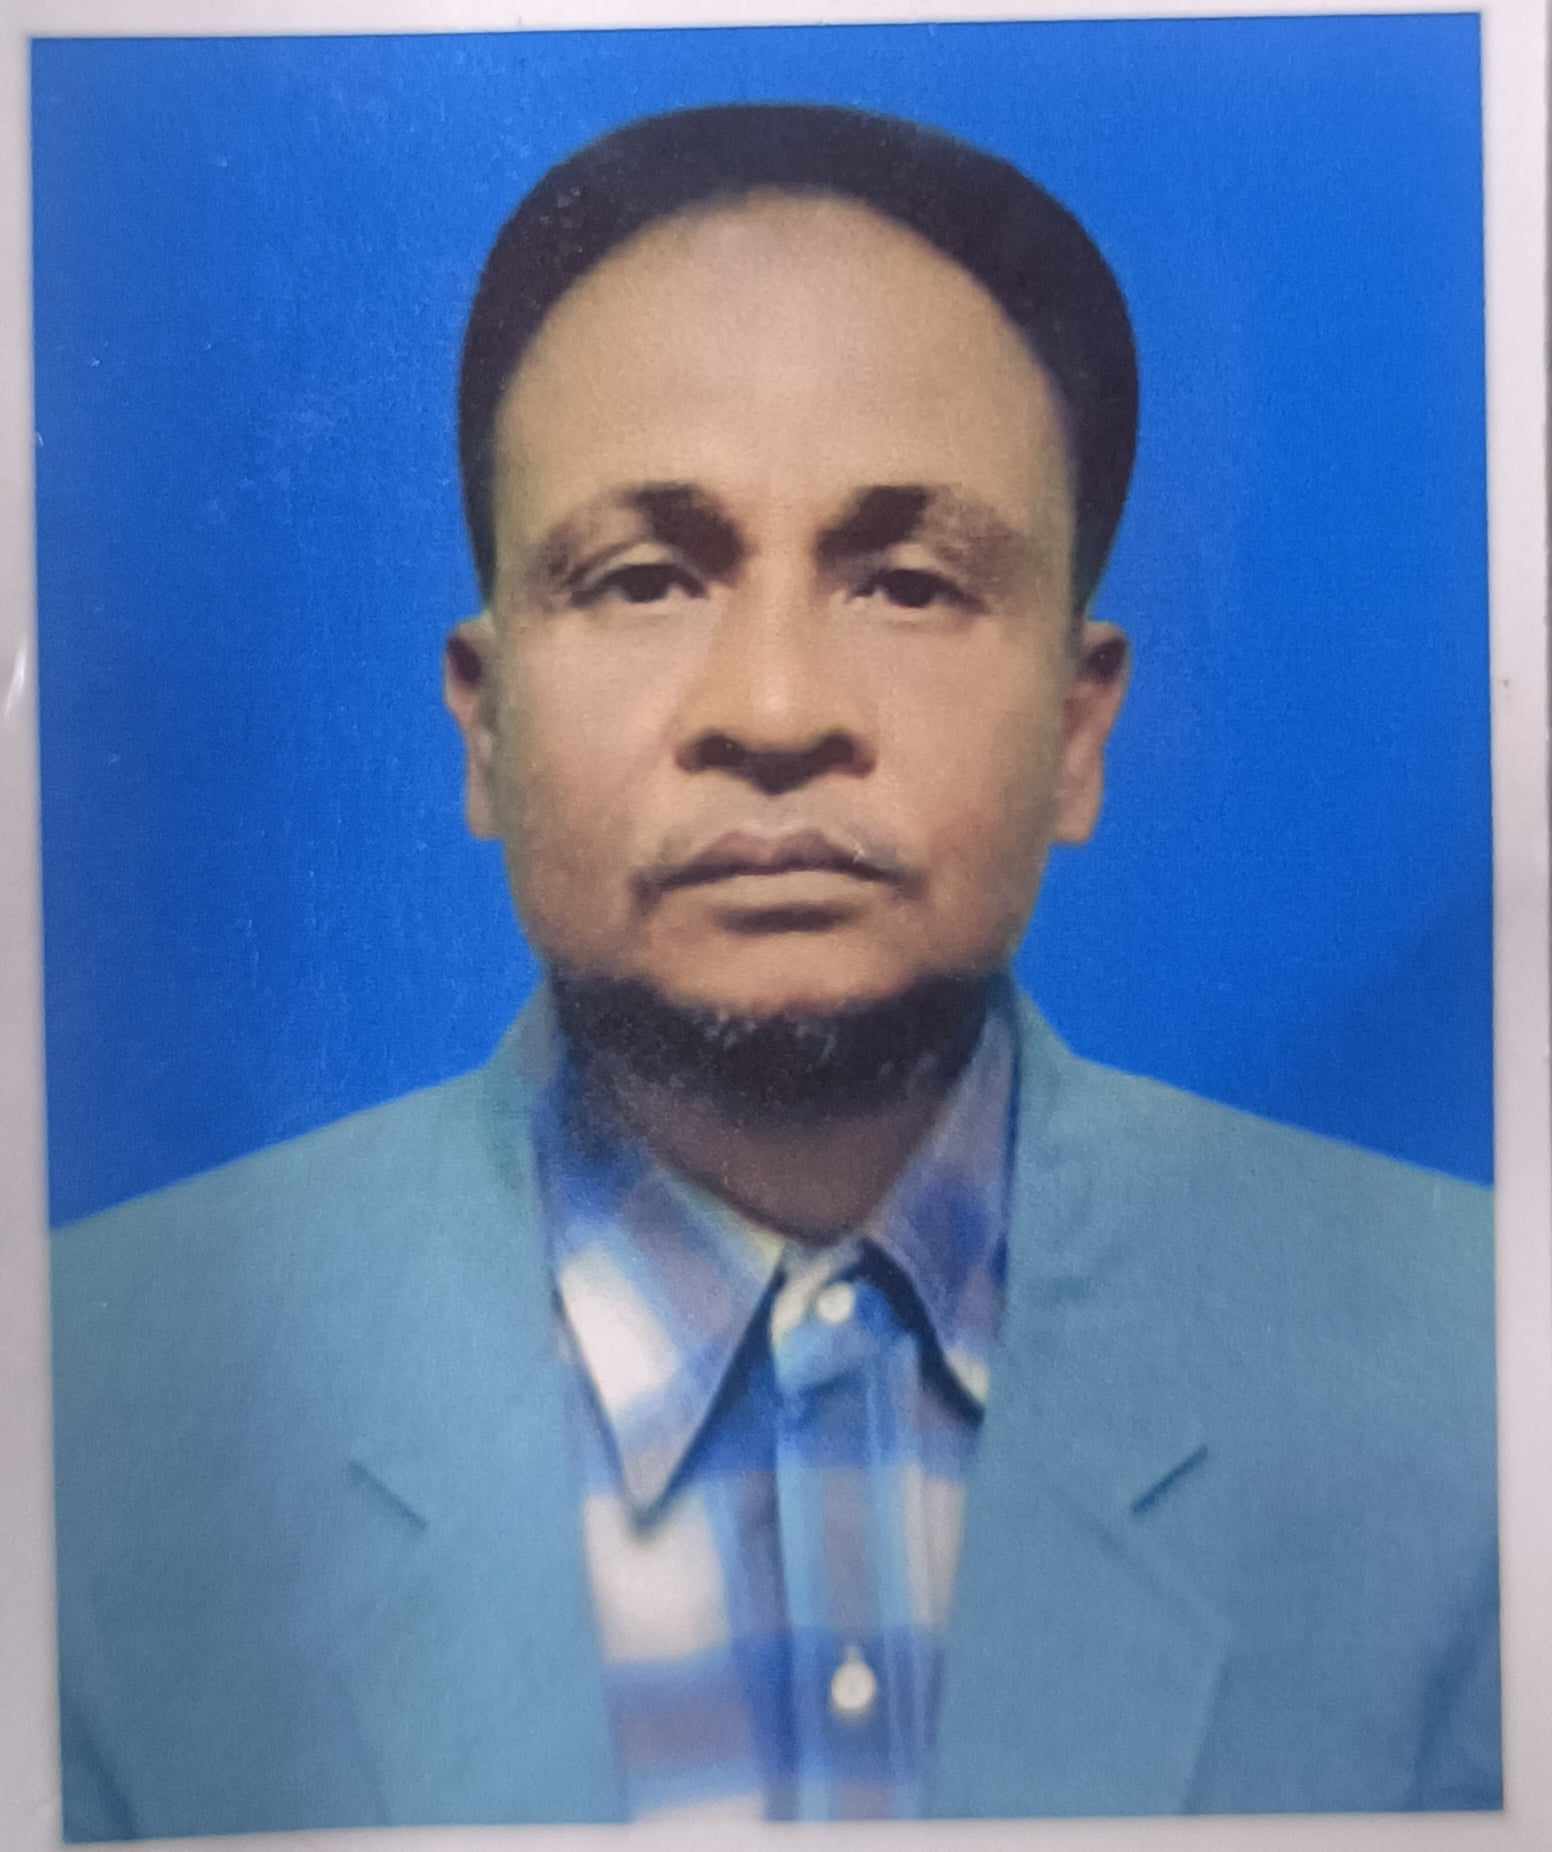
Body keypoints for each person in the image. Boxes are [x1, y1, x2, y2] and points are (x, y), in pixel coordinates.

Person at [50, 104, 1499, 1840]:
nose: (777, 710)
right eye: (646, 578)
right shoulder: (72, 1412)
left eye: (909, 583)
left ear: (1078, 725)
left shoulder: (1487, 1370)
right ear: (486, 726)